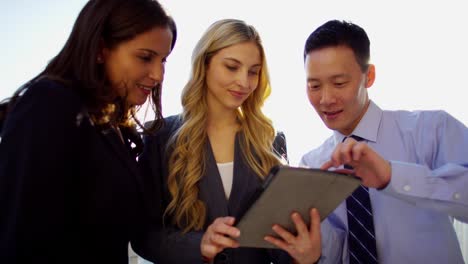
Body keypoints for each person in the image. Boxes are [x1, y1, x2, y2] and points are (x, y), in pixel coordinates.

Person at [0, 0, 176, 263]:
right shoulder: (49, 102)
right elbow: (21, 236)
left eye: (163, 60)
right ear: (100, 49)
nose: (158, 74)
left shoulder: (111, 125)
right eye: (145, 57)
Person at [134, 19, 322, 264]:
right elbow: (143, 236)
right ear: (205, 64)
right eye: (232, 67)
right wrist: (199, 245)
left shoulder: (269, 140)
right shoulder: (160, 136)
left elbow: (277, 246)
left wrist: (305, 256)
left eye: (253, 72)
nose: (244, 82)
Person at [300, 19, 468, 263]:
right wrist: (311, 255)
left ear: (369, 76)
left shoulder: (431, 130)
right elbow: (335, 253)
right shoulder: (312, 165)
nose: (325, 99)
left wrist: (391, 177)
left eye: (339, 83)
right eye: (314, 85)